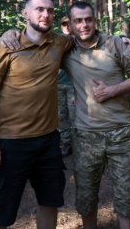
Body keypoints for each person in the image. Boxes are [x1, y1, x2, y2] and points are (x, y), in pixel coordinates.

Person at [0, 0, 72, 229]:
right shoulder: (2, 49)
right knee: (1, 212)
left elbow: (89, 37)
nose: (46, 15)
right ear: (25, 14)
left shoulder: (59, 43)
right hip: (11, 144)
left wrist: (122, 39)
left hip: (49, 142)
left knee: (49, 202)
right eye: (39, 9)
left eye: (50, 10)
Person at [64, 1, 130, 229]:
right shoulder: (65, 48)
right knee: (86, 197)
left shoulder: (116, 44)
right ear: (69, 24)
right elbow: (37, 43)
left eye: (88, 19)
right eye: (78, 21)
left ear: (95, 20)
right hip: (86, 136)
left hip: (121, 134)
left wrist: (111, 91)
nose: (84, 25)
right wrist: (11, 33)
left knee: (127, 199)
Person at [57, 15, 76, 157]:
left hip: (73, 85)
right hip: (57, 85)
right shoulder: (56, 41)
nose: (66, 27)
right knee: (61, 116)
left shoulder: (79, 41)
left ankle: (78, 145)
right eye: (64, 24)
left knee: (75, 115)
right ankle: (66, 143)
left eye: (69, 24)